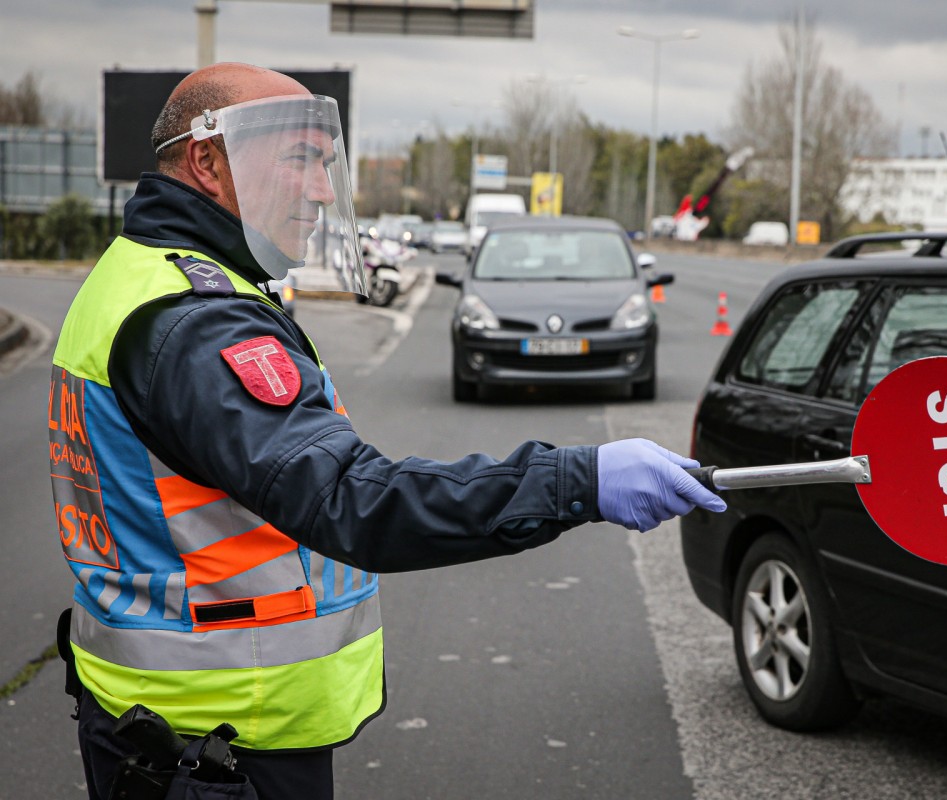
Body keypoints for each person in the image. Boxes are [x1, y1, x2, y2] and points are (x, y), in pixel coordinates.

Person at [48, 62, 725, 800]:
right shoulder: (199, 322)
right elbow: (350, 500)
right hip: (221, 742)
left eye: (323, 165)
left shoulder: (140, 276)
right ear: (207, 160)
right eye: (298, 161)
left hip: (158, 727)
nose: (317, 189)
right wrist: (579, 480)